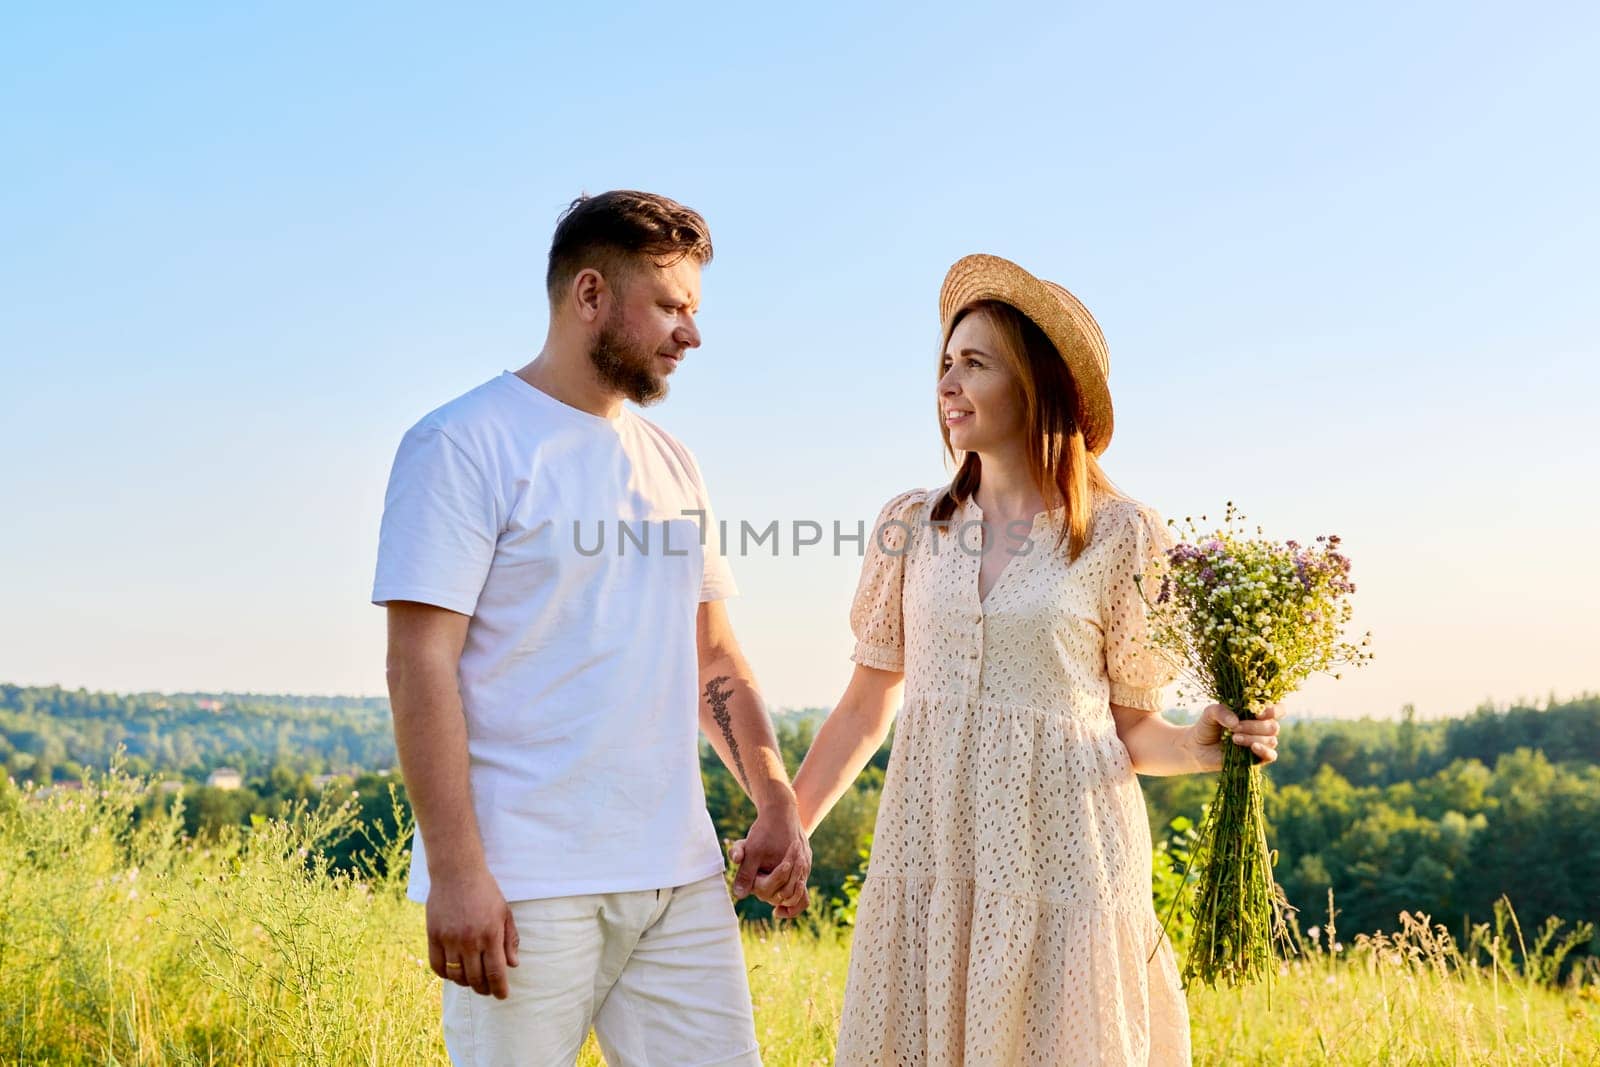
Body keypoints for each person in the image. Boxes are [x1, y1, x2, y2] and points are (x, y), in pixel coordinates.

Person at [771, 254, 1282, 1064]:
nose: (948, 383)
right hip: (931, 854)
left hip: (1065, 861)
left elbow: (1133, 726)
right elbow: (866, 706)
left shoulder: (1121, 534)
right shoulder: (910, 525)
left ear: (1039, 384)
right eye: (944, 362)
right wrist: (786, 823)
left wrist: (1197, 743)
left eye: (974, 363)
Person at [372, 190, 809, 1067]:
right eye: (671, 307)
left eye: (695, 310)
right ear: (589, 296)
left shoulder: (672, 461)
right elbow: (420, 664)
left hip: (674, 876)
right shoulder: (462, 443)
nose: (691, 334)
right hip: (526, 888)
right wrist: (457, 872)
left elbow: (712, 653)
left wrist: (773, 796)